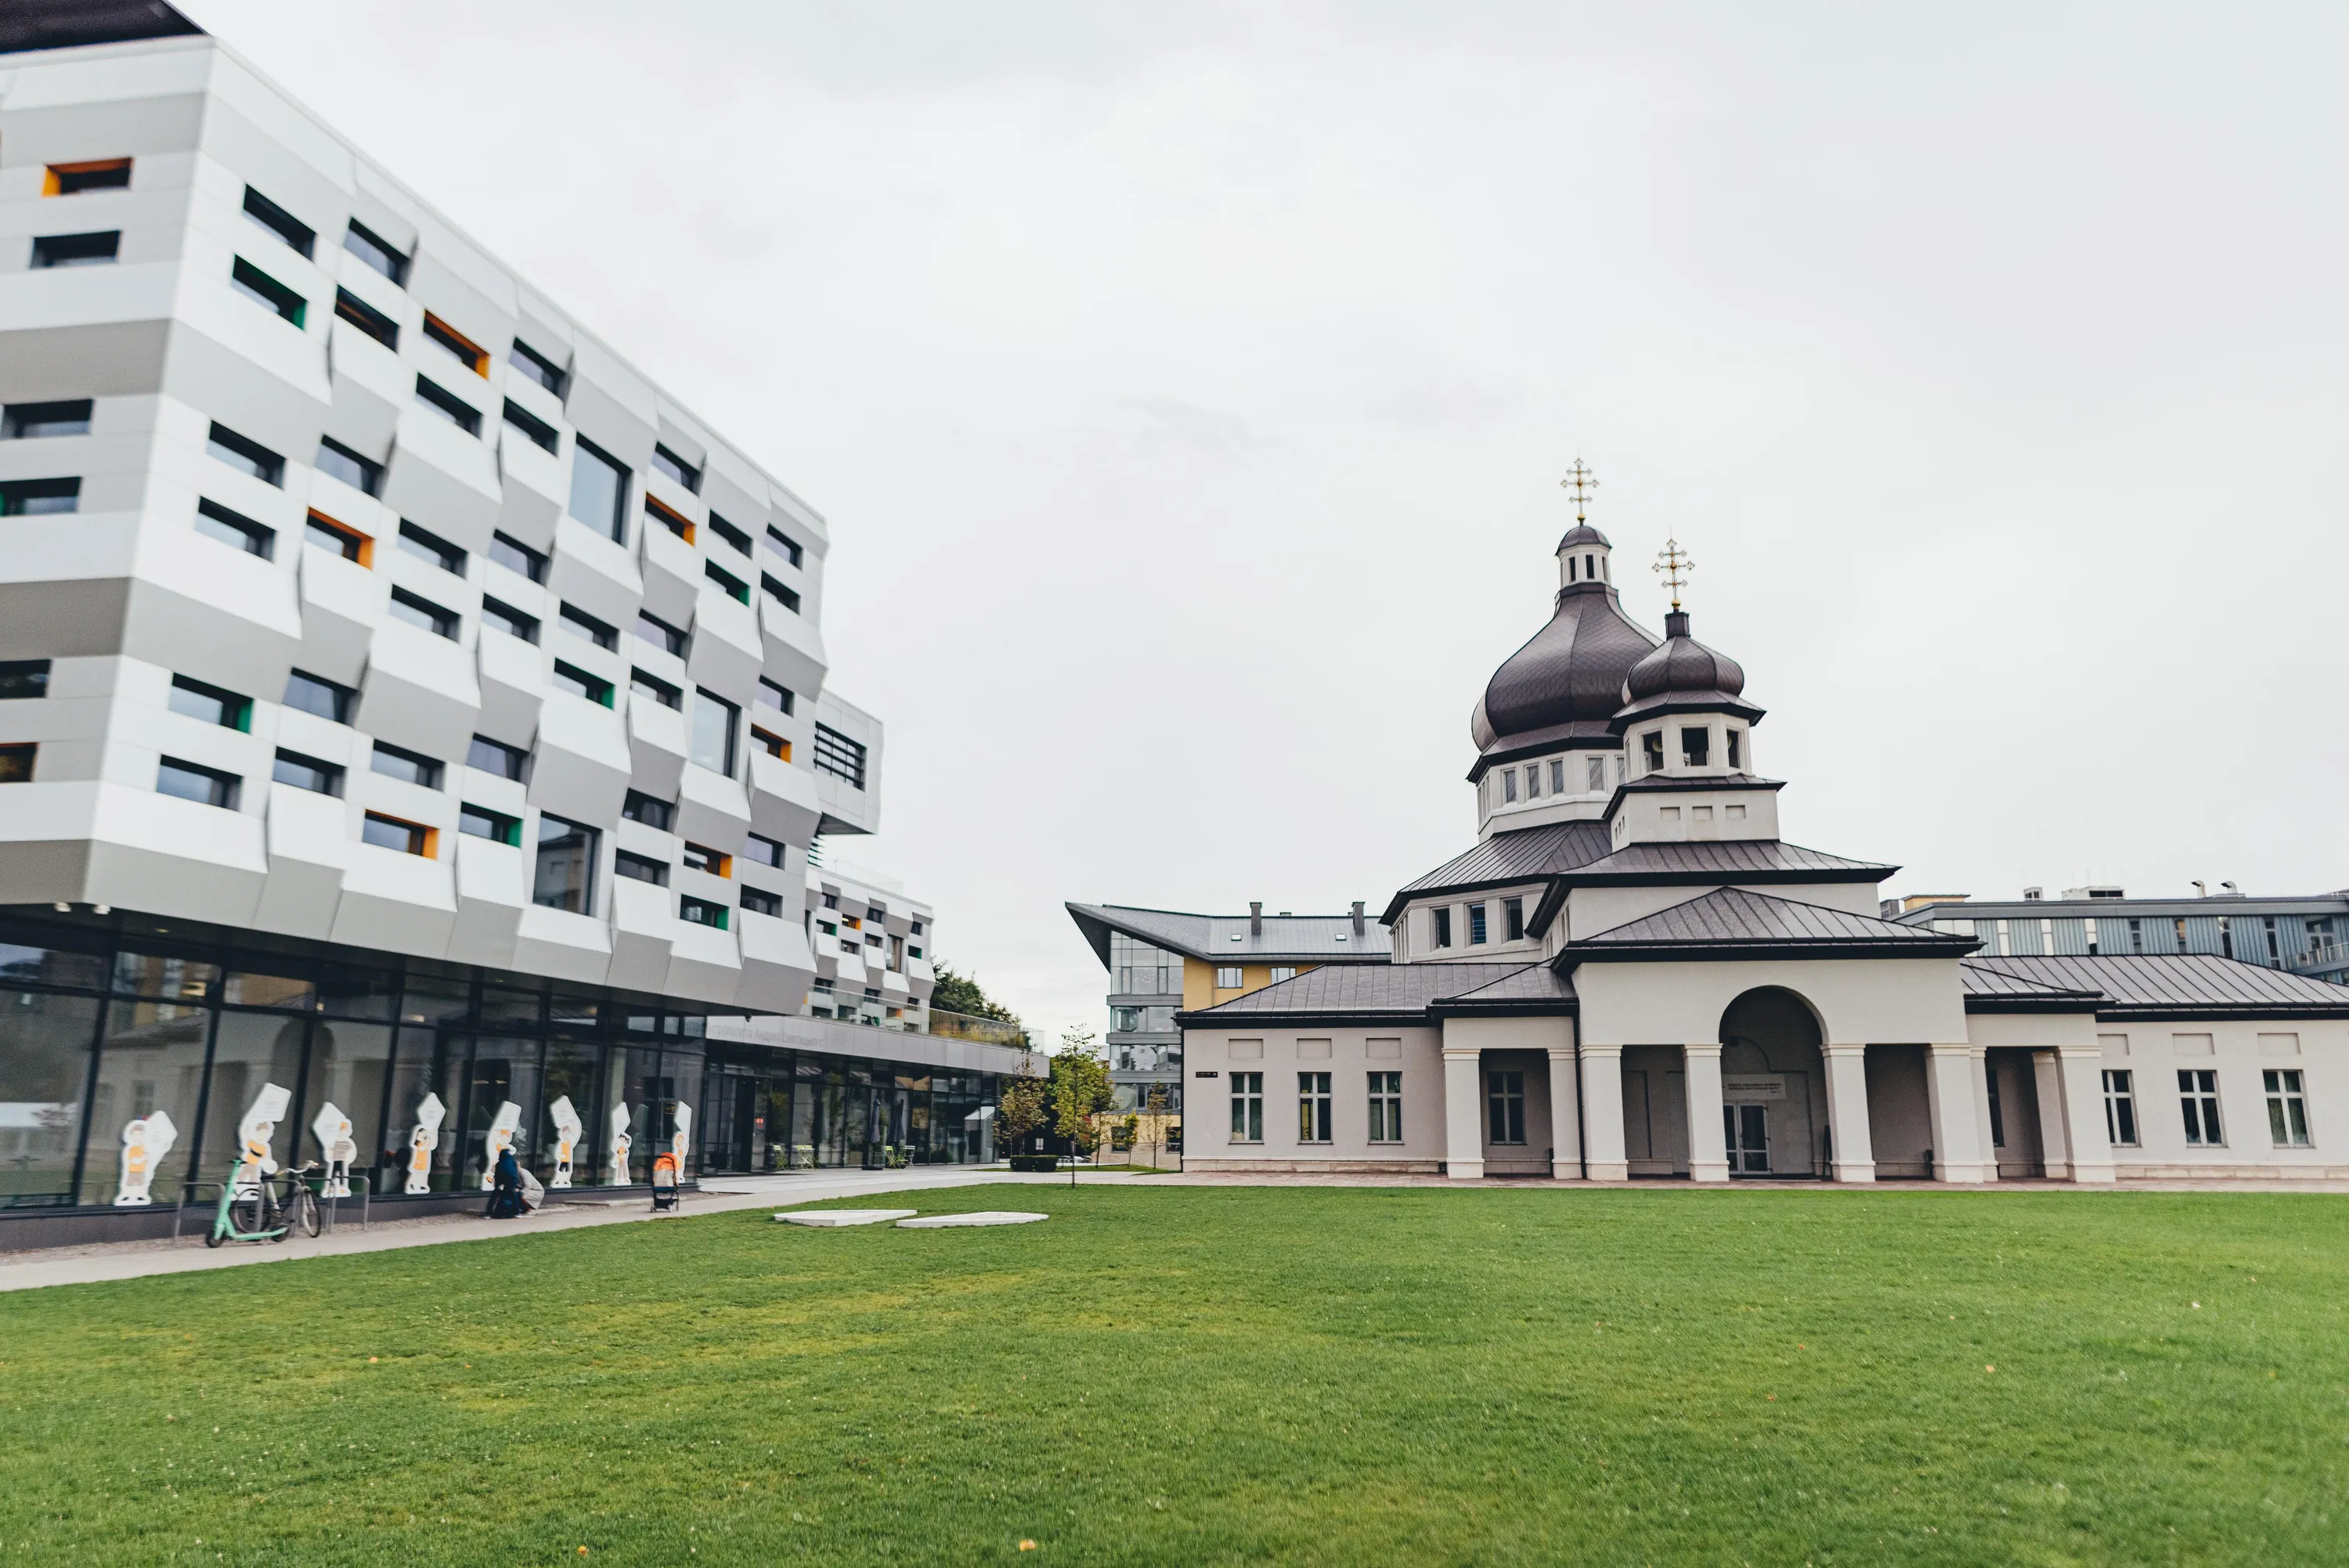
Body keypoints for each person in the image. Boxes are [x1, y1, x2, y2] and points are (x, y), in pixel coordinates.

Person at [484, 1144, 523, 1220]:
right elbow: (515, 1173)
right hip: (512, 1180)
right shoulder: (513, 1161)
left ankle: (488, 1213)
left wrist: (498, 1185)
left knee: (495, 1196)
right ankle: (517, 1212)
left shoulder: (499, 1163)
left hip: (501, 1181)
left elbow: (497, 1174)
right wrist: (516, 1184)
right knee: (513, 1195)